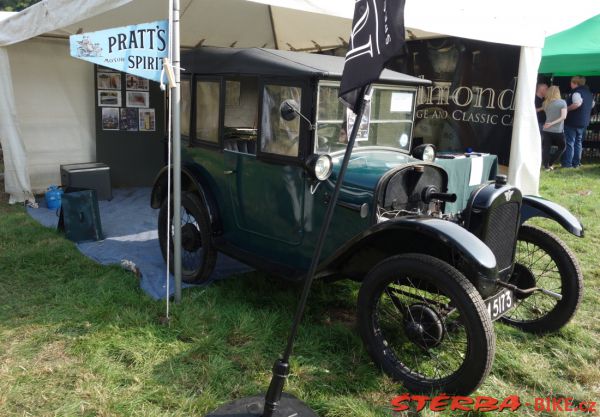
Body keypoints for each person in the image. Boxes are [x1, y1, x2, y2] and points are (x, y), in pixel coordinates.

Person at [561, 76, 594, 168]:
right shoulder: (588, 93)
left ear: (575, 83)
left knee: (570, 142)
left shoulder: (576, 93)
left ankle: (568, 164)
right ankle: (576, 163)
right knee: (578, 142)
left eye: (571, 82)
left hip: (573, 121)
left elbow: (577, 103)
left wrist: (566, 109)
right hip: (583, 122)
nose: (570, 84)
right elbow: (592, 104)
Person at [541, 86, 567, 171]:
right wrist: (552, 123)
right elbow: (563, 116)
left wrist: (549, 123)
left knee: (546, 148)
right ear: (558, 92)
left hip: (546, 129)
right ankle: (550, 163)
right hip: (557, 130)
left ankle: (546, 166)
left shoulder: (545, 103)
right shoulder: (562, 102)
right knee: (562, 147)